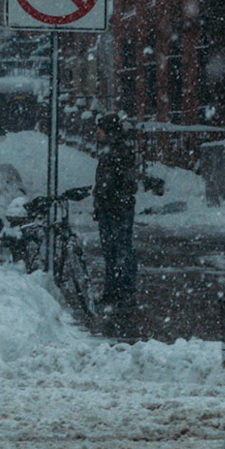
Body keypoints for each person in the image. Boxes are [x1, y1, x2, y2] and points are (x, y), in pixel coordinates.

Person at [91, 114, 160, 305]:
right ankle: (114, 290)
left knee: (121, 250)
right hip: (110, 208)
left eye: (100, 129)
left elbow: (125, 184)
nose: (97, 132)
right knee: (112, 251)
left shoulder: (119, 153)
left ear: (109, 131)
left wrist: (112, 201)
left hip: (117, 210)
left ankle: (124, 291)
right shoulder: (109, 152)